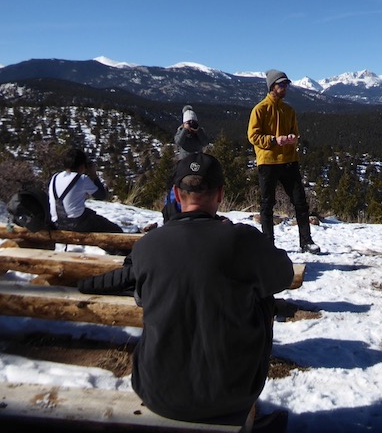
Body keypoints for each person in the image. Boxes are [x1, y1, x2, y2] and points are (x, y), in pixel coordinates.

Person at [80, 152, 293, 430]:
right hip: (233, 393)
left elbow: (143, 298)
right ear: (220, 195)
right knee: (263, 296)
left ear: (176, 196)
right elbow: (283, 275)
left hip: (156, 390)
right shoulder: (241, 240)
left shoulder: (148, 246)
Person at [248, 69, 320, 253]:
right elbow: (253, 136)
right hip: (268, 161)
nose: (285, 87)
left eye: (286, 84)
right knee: (267, 204)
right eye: (281, 84)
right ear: (272, 86)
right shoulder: (260, 109)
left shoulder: (289, 110)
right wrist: (273, 140)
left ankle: (306, 242)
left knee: (300, 202)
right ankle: (268, 244)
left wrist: (292, 138)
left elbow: (295, 133)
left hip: (289, 160)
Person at [48, 148, 123, 233]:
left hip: (57, 222)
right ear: (82, 165)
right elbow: (101, 196)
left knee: (89, 213)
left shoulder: (55, 177)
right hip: (76, 223)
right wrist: (94, 175)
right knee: (115, 230)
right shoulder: (82, 179)